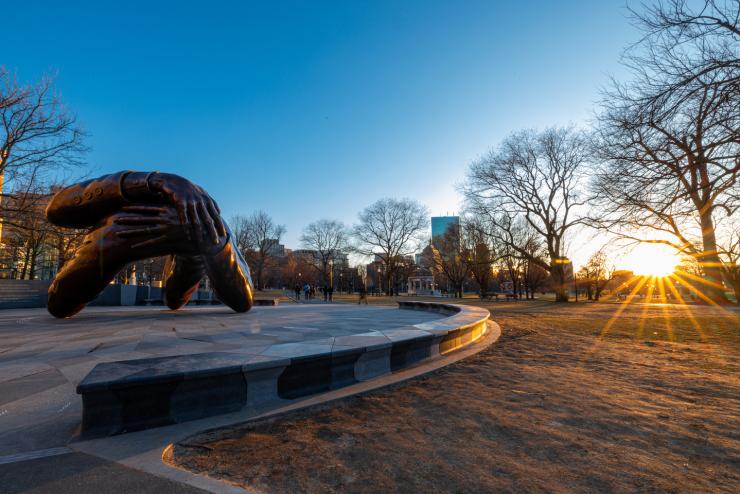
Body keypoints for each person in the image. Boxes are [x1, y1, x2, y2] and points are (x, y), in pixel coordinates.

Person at [44, 170, 254, 318]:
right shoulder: (125, 207)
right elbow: (55, 209)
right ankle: (112, 245)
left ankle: (195, 254)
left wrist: (209, 244)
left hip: (194, 236)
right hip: (123, 226)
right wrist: (147, 181)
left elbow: (243, 300)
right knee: (113, 235)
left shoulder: (207, 220)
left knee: (196, 249)